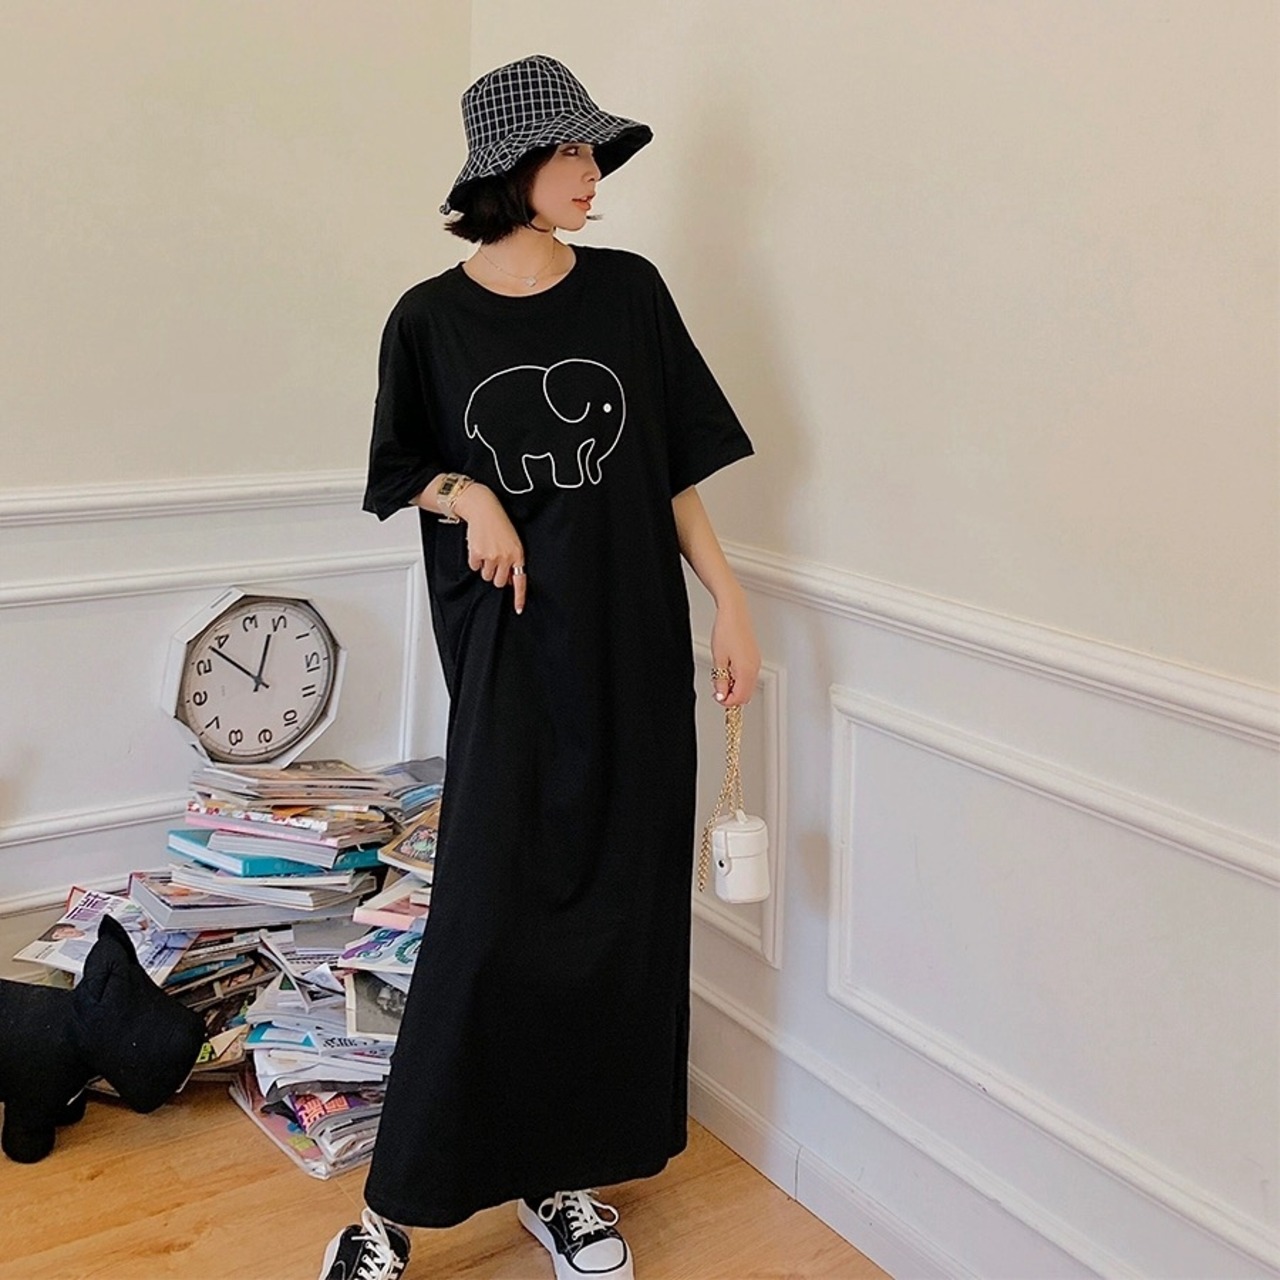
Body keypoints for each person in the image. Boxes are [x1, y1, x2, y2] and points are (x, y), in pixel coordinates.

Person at [318, 53, 760, 1280]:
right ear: (508, 168)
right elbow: (397, 470)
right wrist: (470, 495)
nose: (592, 173)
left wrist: (728, 599)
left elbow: (667, 469)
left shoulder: (627, 291)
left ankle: (560, 1178)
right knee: (485, 917)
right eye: (570, 153)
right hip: (511, 653)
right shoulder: (428, 317)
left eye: (591, 153)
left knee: (618, 915)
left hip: (634, 650)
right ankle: (389, 1213)